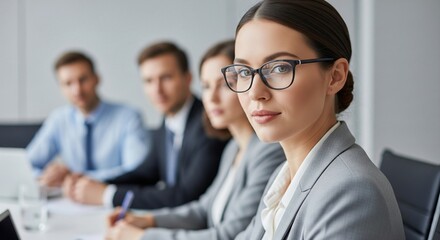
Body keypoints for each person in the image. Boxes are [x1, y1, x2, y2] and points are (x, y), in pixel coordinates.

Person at [221, 0, 405, 239]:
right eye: (244, 72)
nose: (255, 93)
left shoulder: (350, 192)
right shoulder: (285, 176)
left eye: (279, 68)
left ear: (335, 77)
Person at [104, 40, 285, 240]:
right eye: (206, 86)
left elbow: (230, 234)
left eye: (225, 85)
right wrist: (147, 220)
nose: (211, 98)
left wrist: (142, 237)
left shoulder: (267, 151)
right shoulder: (233, 147)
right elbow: (203, 209)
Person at [68, 42, 227, 207]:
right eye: (149, 81)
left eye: (166, 78)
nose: (157, 90)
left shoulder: (209, 124)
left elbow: (185, 195)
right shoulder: (167, 122)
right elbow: (146, 173)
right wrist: (93, 183)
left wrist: (107, 195)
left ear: (188, 78)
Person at [27, 51, 150, 190]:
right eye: (68, 83)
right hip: (70, 201)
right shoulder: (59, 119)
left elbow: (136, 170)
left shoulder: (128, 117)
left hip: (112, 198)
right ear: (61, 88)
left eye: (83, 80)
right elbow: (27, 165)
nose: (77, 90)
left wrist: (75, 177)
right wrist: (47, 177)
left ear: (96, 79)